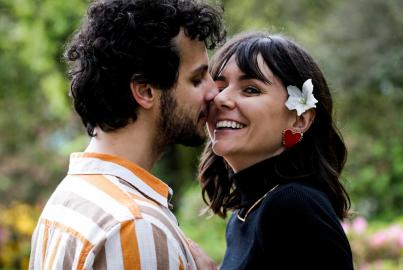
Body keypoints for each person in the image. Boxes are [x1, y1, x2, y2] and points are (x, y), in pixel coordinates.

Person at [29, 0, 224, 269]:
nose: (214, 92)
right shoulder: (134, 226)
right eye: (197, 79)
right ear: (144, 91)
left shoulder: (67, 200)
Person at [195, 32, 354, 269]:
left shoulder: (294, 205)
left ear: (299, 120)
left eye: (250, 89)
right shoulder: (248, 212)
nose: (221, 99)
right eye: (219, 87)